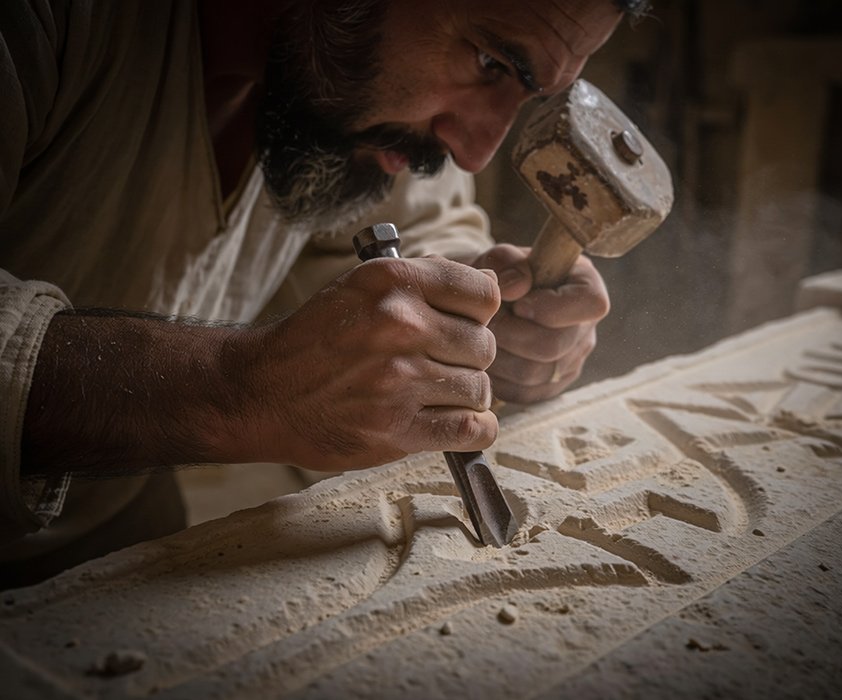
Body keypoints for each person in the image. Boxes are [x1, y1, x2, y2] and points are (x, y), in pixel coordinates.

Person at [0, 0, 647, 585]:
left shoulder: (358, 80)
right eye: (489, 62)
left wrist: (471, 316)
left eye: (529, 93)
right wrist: (237, 390)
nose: (476, 151)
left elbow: (415, 226)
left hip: (121, 550)